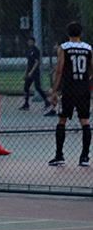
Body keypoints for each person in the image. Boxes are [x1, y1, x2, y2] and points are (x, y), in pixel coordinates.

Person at [49, 21, 92, 167]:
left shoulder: (64, 48)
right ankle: (84, 157)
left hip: (69, 88)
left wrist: (55, 90)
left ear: (68, 33)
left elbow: (60, 69)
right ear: (81, 33)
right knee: (85, 121)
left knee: (62, 120)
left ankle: (59, 155)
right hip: (83, 88)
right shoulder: (88, 48)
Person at [21, 37, 49, 111]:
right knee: (26, 87)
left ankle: (47, 101)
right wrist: (26, 72)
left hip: (35, 72)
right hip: (29, 71)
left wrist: (31, 72)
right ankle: (26, 103)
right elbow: (28, 63)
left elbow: (37, 62)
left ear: (34, 42)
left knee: (37, 87)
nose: (30, 43)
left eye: (31, 42)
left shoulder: (36, 50)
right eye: (29, 42)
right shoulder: (29, 51)